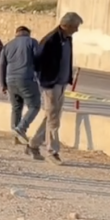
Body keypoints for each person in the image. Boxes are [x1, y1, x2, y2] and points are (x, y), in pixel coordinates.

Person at [28, 12, 82, 164]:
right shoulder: (50, 40)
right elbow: (37, 61)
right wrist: (46, 80)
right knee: (53, 120)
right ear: (66, 25)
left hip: (61, 83)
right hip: (51, 85)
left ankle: (33, 144)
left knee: (51, 117)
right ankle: (52, 152)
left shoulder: (67, 39)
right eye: (75, 27)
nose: (76, 30)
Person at [0, 25, 42, 152]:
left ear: (16, 33)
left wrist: (3, 84)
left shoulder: (8, 45)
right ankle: (21, 128)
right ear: (28, 33)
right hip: (26, 78)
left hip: (10, 80)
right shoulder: (32, 42)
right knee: (34, 106)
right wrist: (39, 75)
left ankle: (15, 136)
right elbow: (38, 59)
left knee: (16, 107)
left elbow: (1, 65)